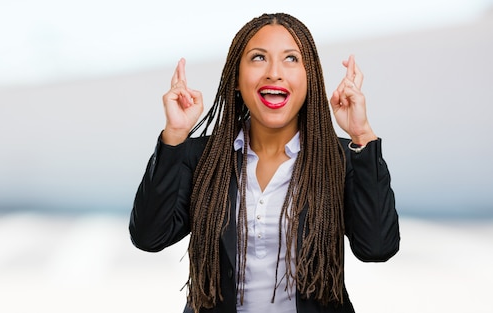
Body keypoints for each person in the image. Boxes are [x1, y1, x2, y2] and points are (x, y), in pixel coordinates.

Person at [129, 13, 400, 313]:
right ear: (235, 78)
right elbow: (149, 236)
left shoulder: (339, 158)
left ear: (310, 79)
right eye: (258, 58)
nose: (274, 73)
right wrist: (175, 136)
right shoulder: (201, 157)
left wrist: (361, 135)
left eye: (291, 59)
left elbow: (377, 247)